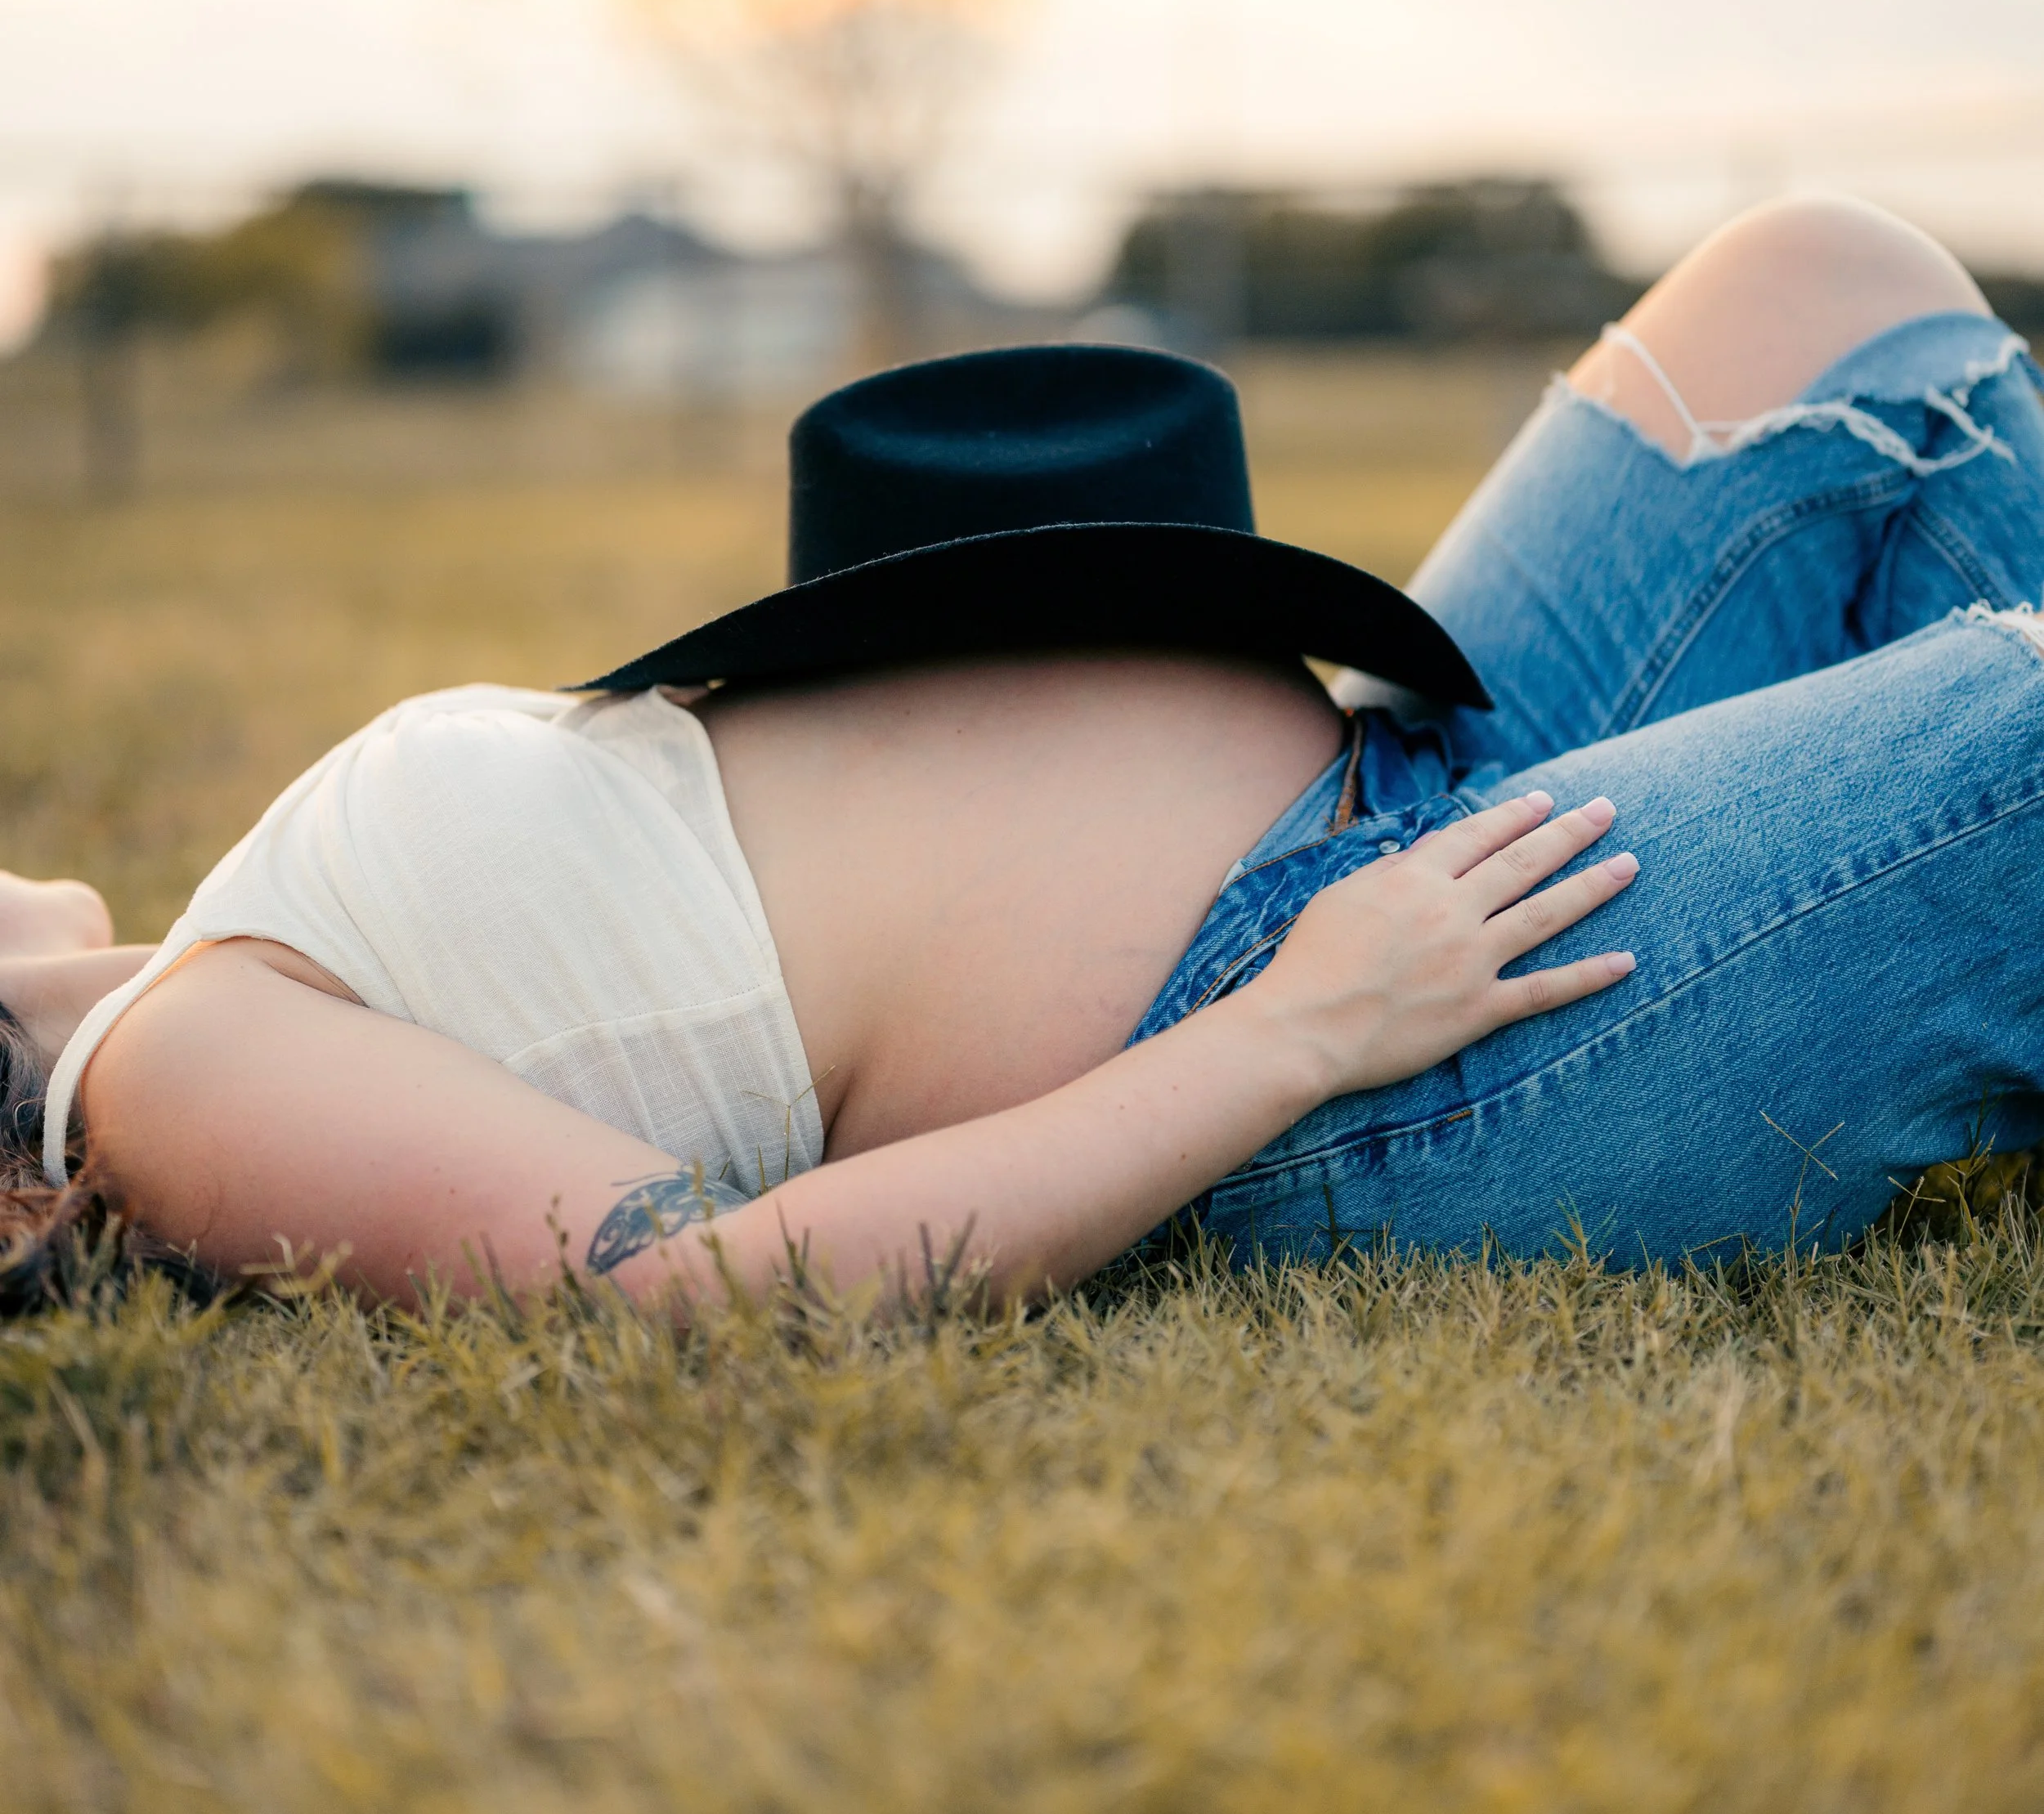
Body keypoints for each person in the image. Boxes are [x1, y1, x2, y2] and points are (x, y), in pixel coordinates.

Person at [3, 193, 2042, 1317]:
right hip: (1351, 1037)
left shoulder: (220, 951)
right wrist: (1288, 1035)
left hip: (1397, 782)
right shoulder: (170, 1070)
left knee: (1830, 290)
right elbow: (687, 1313)